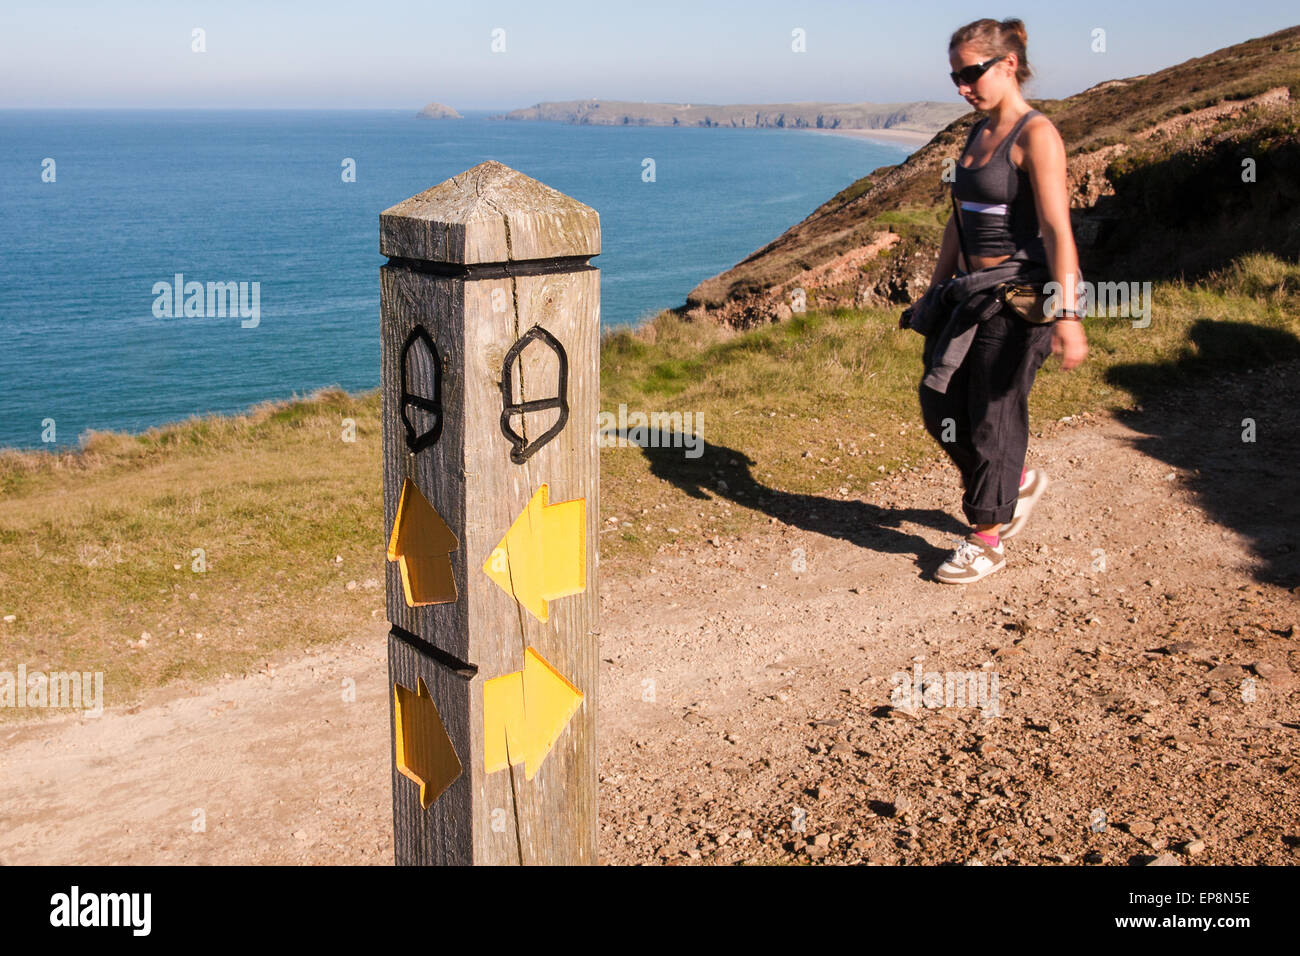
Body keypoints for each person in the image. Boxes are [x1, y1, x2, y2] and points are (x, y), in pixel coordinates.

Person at [913, 17, 1088, 584]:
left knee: (993, 415)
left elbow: (1059, 230)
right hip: (967, 293)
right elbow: (957, 222)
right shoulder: (975, 131)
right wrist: (934, 291)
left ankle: (986, 538)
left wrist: (1068, 313)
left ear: (1007, 64)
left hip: (1021, 295)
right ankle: (1011, 483)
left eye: (971, 73)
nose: (962, 86)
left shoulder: (1036, 135)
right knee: (938, 403)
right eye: (955, 76)